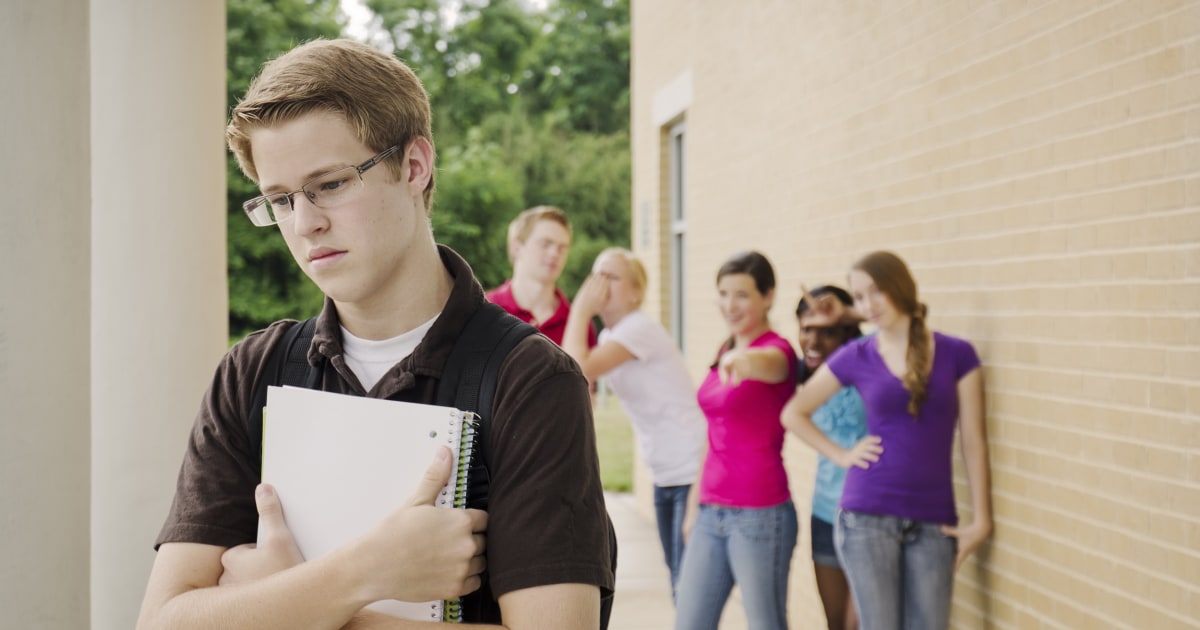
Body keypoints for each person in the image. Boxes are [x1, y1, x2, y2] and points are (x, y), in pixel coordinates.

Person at [137, 39, 613, 630]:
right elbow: (164, 622)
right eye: (280, 200)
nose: (305, 222)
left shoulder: (531, 379)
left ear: (414, 166)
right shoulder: (250, 372)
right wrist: (366, 572)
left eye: (330, 183)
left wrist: (288, 603)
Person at [781, 251, 992, 630]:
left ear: (900, 286)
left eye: (875, 291)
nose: (868, 304)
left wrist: (981, 521)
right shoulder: (856, 355)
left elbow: (974, 441)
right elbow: (793, 413)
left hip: (934, 522)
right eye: (859, 297)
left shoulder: (958, 354)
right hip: (866, 518)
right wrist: (842, 455)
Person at [562, 247, 705, 600]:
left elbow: (573, 368)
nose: (599, 283)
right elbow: (574, 377)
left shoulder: (639, 328)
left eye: (611, 276)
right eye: (596, 274)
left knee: (687, 590)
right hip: (665, 472)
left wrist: (580, 310)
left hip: (691, 467)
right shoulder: (613, 337)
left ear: (636, 292)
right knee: (680, 584)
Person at [673, 251, 799, 630]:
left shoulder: (778, 350)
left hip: (760, 514)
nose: (730, 305)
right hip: (712, 512)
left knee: (766, 624)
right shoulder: (723, 350)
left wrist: (744, 362)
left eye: (742, 294)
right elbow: (713, 437)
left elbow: (770, 364)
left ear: (768, 296)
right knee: (689, 622)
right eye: (723, 293)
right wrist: (694, 508)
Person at [795, 286, 866, 630]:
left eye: (827, 331)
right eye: (806, 328)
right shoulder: (800, 375)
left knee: (861, 623)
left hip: (872, 516)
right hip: (825, 514)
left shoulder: (872, 361)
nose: (813, 340)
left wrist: (851, 312)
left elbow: (907, 328)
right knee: (837, 624)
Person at [486, 205, 596, 347]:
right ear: (517, 248)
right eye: (545, 244)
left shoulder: (579, 323)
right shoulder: (485, 311)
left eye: (562, 247)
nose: (555, 253)